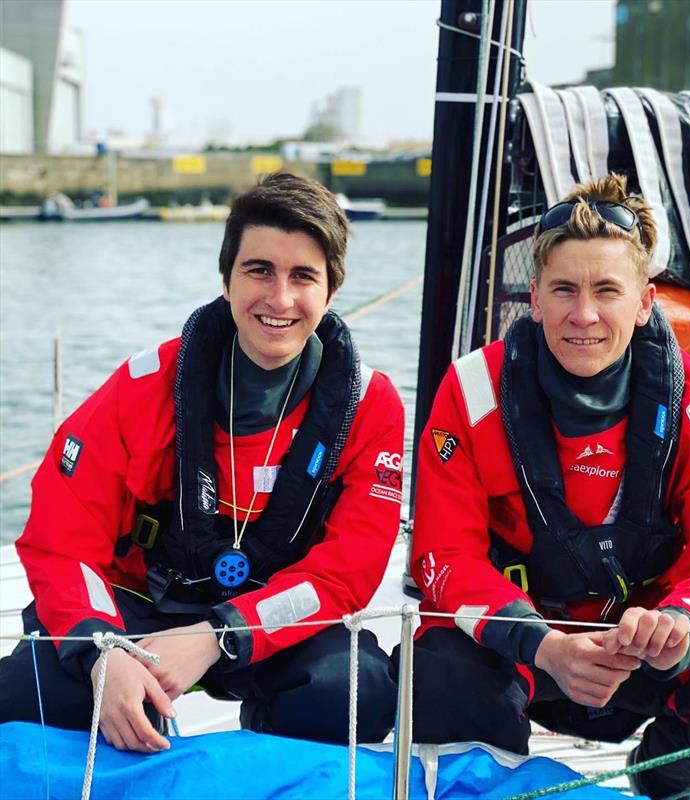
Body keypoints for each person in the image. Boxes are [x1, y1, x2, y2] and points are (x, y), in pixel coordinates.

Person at [406, 173, 690, 799]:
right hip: (525, 654)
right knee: (437, 669)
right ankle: (496, 787)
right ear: (534, 298)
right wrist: (544, 645)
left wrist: (679, 629)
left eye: (607, 290)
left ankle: (653, 782)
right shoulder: (472, 393)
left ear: (644, 302)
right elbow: (443, 558)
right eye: (564, 289)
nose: (582, 314)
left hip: (647, 660)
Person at [0, 172, 403, 753]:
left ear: (331, 291)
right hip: (138, 609)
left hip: (271, 618)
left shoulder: (369, 406)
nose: (280, 298)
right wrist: (100, 652)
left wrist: (225, 633)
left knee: (351, 691)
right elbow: (61, 540)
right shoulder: (142, 387)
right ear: (226, 278)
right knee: (25, 695)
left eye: (303, 276)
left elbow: (345, 571)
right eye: (259, 269)